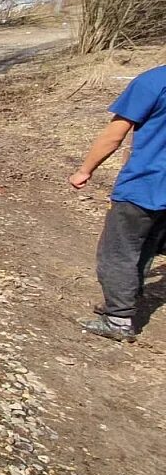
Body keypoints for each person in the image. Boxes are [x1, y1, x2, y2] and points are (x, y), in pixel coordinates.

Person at [68, 65, 166, 342]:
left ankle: (118, 318)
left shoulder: (154, 81)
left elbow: (114, 135)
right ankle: (124, 300)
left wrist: (85, 170)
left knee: (118, 251)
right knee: (146, 246)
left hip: (146, 182)